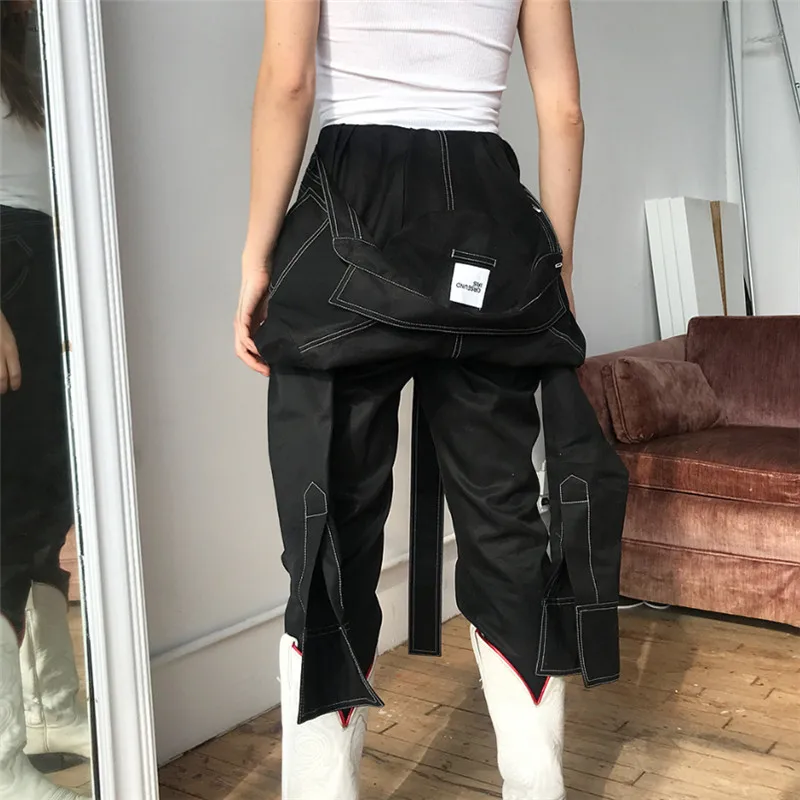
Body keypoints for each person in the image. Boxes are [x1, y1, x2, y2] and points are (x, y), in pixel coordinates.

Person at [235, 2, 628, 799]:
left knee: (329, 532)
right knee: (506, 526)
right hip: (488, 220)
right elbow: (564, 111)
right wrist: (558, 265)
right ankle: (537, 786)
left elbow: (288, 81)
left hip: (349, 217)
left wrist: (256, 256)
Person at [1, 2, 89, 798]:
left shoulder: (31, 47)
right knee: (4, 510)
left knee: (43, 501)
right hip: (5, 268)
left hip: (40, 264)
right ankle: (2, 762)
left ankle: (53, 709)